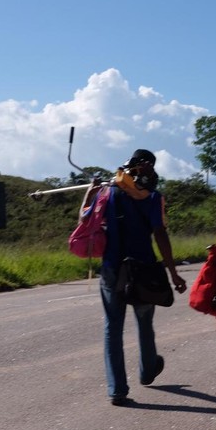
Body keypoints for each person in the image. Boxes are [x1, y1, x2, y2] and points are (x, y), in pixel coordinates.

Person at [83, 149, 186, 406]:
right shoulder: (153, 197)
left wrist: (90, 193)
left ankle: (117, 390)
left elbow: (85, 219)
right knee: (144, 322)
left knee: (113, 327)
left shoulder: (107, 193)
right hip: (144, 269)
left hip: (112, 268)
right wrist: (173, 272)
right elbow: (160, 234)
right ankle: (147, 370)